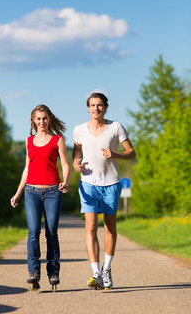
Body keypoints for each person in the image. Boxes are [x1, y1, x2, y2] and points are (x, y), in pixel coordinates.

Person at [73, 93, 136, 290]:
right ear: (88, 108)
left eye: (99, 105)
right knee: (90, 226)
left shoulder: (115, 127)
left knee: (110, 227)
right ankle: (96, 273)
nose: (96, 109)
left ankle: (107, 268)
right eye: (92, 105)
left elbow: (132, 152)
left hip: (111, 184)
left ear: (105, 107)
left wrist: (115, 154)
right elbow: (76, 150)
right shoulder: (79, 130)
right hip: (88, 184)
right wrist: (76, 162)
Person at [11, 104, 70, 290]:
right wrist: (18, 191)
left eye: (45, 118)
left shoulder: (57, 140)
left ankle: (53, 273)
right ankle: (33, 271)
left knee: (51, 233)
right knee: (33, 231)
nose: (42, 122)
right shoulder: (29, 141)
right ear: (33, 120)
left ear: (49, 119)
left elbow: (66, 165)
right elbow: (27, 168)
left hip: (53, 191)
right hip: (31, 192)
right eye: (38, 118)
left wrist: (65, 181)